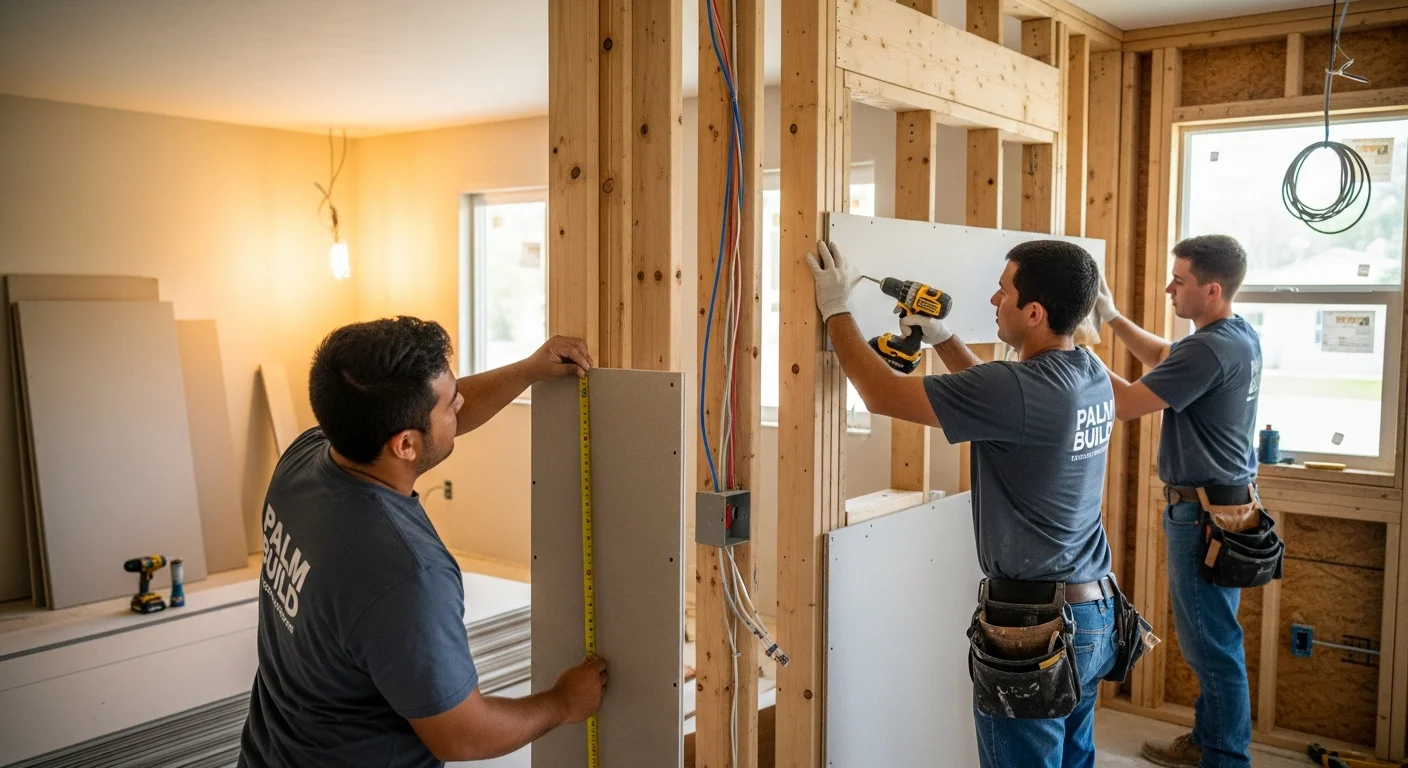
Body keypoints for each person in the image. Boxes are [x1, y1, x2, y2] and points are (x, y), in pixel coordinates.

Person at [238, 317, 607, 768]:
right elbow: (462, 736)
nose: (462, 403)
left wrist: (528, 369)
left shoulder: (305, 458)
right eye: (451, 404)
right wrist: (564, 703)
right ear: (406, 446)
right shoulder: (407, 576)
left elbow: (428, 418)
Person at [807, 239, 1120, 767]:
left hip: (1035, 632)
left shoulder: (1014, 389)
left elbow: (881, 393)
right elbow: (1002, 400)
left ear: (1035, 312)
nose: (995, 300)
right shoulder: (1089, 373)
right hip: (1093, 612)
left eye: (1004, 292)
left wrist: (837, 308)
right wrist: (944, 338)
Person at [1092, 234, 1264, 768]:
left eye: (1179, 280)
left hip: (1204, 516)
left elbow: (1125, 404)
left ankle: (1224, 759)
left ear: (1211, 290)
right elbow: (1168, 358)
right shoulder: (1236, 336)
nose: (1169, 287)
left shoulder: (1210, 347)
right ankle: (1211, 743)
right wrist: (1113, 318)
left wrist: (1074, 348)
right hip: (1229, 508)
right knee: (1216, 640)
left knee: (1211, 648)